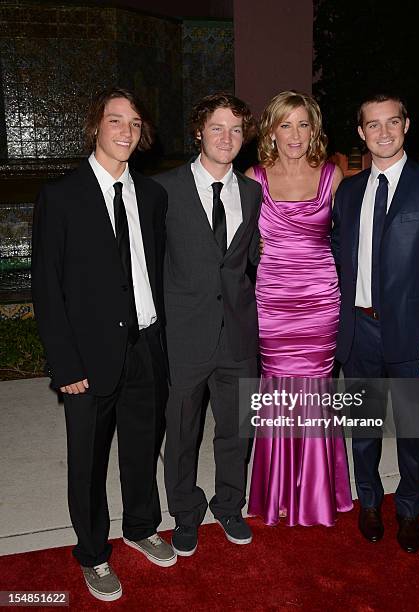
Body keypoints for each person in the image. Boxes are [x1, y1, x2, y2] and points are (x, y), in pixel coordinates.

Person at [31, 87, 175, 602]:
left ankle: (140, 527)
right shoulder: (62, 196)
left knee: (142, 448)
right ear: (96, 126)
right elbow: (46, 287)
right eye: (116, 121)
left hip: (146, 345)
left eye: (135, 123)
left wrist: (162, 343)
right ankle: (92, 554)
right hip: (87, 358)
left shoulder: (153, 196)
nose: (126, 132)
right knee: (87, 461)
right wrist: (64, 362)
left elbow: (155, 272)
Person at [332, 93, 419, 552]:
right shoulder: (348, 191)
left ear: (406, 125)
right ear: (361, 132)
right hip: (359, 330)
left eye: (392, 122)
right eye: (373, 125)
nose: (383, 132)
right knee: (364, 428)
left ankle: (409, 508)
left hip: (414, 333)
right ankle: (369, 501)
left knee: (412, 429)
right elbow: (337, 259)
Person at [153, 93, 262, 556]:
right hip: (182, 334)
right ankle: (184, 511)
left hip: (237, 333)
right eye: (217, 128)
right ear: (198, 132)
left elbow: (249, 262)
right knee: (181, 431)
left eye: (236, 130)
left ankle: (230, 505)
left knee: (237, 427)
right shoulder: (163, 189)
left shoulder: (253, 192)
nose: (227, 138)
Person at [246, 90, 353, 526]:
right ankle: (277, 492)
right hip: (272, 297)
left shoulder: (333, 175)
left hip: (320, 296)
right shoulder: (253, 177)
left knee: (315, 391)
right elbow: (237, 246)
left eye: (303, 124)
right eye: (285, 124)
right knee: (278, 391)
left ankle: (317, 492)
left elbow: (348, 241)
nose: (295, 134)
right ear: (271, 129)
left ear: (315, 130)